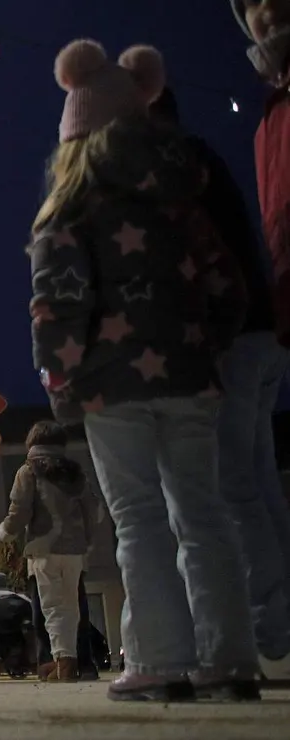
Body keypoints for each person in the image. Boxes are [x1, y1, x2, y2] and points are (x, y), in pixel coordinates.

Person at [29, 39, 257, 701]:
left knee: (138, 519)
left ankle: (159, 659)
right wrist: (203, 349)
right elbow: (229, 287)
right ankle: (229, 658)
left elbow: (58, 304)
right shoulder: (184, 204)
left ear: (76, 134)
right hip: (190, 378)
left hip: (111, 384)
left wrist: (61, 380)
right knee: (204, 513)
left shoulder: (72, 210)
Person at [229, 0, 290, 666]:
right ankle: (276, 629)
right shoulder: (272, 115)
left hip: (254, 323)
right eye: (249, 4)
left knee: (237, 481)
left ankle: (266, 629)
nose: (264, 11)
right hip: (274, 310)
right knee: (254, 474)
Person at [0, 421, 96, 683]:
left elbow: (20, 510)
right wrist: (87, 540)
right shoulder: (76, 472)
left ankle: (64, 664)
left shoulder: (28, 471)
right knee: (72, 607)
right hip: (75, 550)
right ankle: (70, 660)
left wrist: (6, 532)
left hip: (44, 549)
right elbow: (92, 510)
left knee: (52, 607)